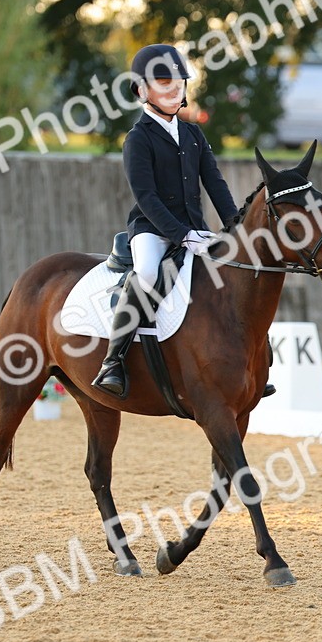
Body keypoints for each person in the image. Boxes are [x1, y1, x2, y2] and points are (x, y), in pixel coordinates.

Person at [91, 43, 238, 398]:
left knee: (232, 275)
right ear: (142, 90)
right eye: (164, 82)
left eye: (180, 81)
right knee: (146, 273)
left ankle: (247, 363)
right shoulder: (138, 139)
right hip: (152, 231)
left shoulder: (193, 134)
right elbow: (147, 198)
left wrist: (236, 227)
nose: (175, 88)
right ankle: (114, 360)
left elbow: (215, 183)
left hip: (194, 229)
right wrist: (183, 235)